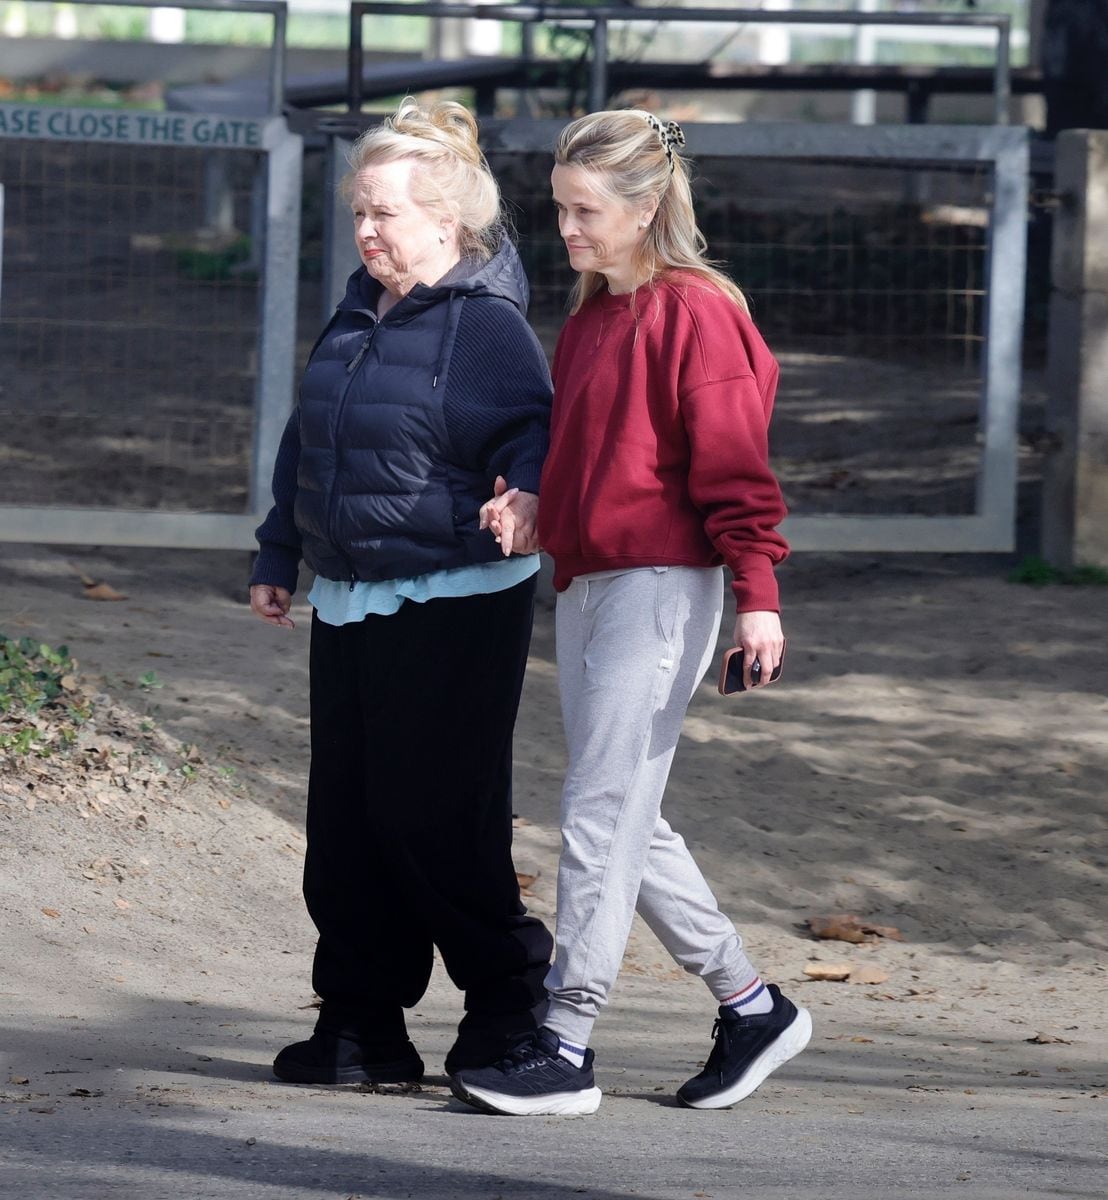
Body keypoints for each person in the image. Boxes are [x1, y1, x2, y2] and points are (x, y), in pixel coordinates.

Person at [452, 110, 810, 1116]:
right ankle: (750, 1005)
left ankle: (564, 1044)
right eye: (559, 209)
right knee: (626, 819)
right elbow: (600, 457)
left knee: (601, 816)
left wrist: (758, 598)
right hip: (589, 582)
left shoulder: (695, 313)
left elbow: (735, 469)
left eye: (584, 211)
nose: (565, 230)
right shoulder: (592, 317)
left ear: (646, 206)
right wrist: (535, 502)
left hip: (663, 587)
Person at [248, 99, 554, 1086]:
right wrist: (276, 551)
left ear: (447, 223)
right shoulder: (355, 312)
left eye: (386, 214)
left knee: (438, 818)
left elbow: (534, 437)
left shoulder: (485, 326)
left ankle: (508, 1010)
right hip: (349, 596)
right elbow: (313, 437)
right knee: (346, 823)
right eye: (360, 213)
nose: (368, 231)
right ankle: (361, 1020)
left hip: (455, 598)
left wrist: (528, 496)